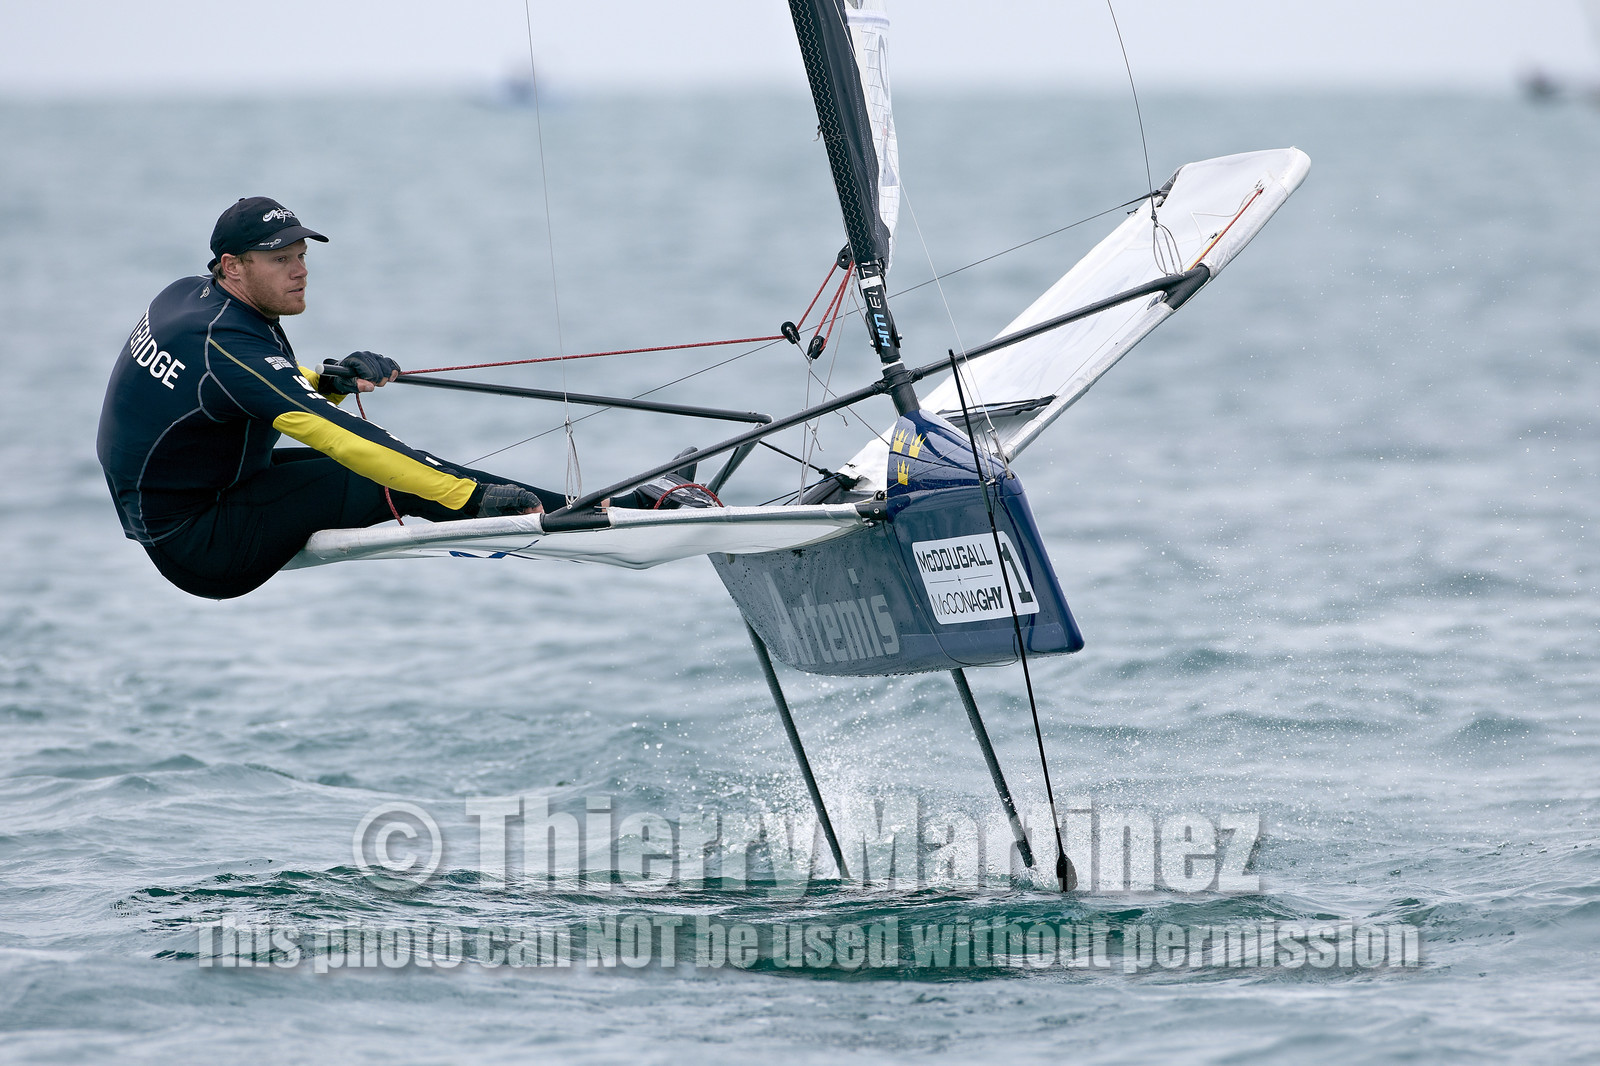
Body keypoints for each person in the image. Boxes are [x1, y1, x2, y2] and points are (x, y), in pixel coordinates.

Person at [96, 196, 563, 600]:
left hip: (187, 504)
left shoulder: (188, 298)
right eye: (280, 260)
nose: (300, 272)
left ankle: (571, 506)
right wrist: (472, 498)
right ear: (232, 265)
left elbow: (241, 387)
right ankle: (570, 517)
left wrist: (328, 384)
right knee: (392, 472)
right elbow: (337, 435)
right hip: (201, 545)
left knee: (407, 468)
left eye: (301, 256)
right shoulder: (227, 346)